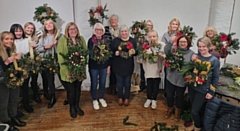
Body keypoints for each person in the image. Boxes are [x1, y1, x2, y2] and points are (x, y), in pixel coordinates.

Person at [186, 37, 220, 131]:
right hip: (192, 87)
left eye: (204, 46)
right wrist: (191, 61)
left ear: (209, 47)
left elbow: (215, 77)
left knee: (194, 111)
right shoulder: (195, 56)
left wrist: (212, 91)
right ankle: (197, 123)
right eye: (199, 46)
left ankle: (198, 127)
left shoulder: (214, 60)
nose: (201, 49)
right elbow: (189, 70)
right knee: (195, 108)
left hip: (203, 90)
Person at [57, 22, 86, 118]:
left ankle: (77, 105)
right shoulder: (63, 40)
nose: (73, 31)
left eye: (75, 29)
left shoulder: (81, 39)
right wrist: (66, 72)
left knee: (78, 89)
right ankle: (72, 107)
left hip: (79, 69)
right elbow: (60, 57)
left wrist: (82, 63)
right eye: (71, 29)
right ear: (67, 31)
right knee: (71, 91)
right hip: (68, 71)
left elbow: (85, 53)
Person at [0, 31, 26, 131]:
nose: (9, 41)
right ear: (1, 40)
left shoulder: (11, 50)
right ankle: (6, 122)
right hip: (3, 82)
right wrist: (6, 63)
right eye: (7, 39)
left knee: (14, 99)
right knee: (4, 102)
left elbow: (14, 67)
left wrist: (19, 60)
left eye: (11, 39)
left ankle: (13, 116)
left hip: (14, 79)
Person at [164, 35, 194, 121]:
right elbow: (166, 51)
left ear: (188, 43)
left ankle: (177, 112)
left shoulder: (191, 54)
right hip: (171, 78)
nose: (182, 43)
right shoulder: (174, 50)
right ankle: (169, 109)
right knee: (169, 95)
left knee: (180, 97)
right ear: (178, 43)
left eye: (184, 42)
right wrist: (170, 42)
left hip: (182, 80)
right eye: (181, 42)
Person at [10, 24, 37, 113]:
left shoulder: (27, 40)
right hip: (14, 68)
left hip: (25, 66)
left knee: (25, 86)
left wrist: (33, 46)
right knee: (16, 88)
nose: (18, 33)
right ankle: (15, 107)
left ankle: (26, 104)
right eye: (16, 31)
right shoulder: (11, 41)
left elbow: (31, 52)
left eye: (20, 31)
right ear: (13, 32)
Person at [37, 19, 62, 108]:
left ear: (54, 25)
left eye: (50, 23)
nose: (48, 25)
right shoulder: (42, 37)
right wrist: (45, 47)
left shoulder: (59, 36)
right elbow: (38, 49)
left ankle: (69, 97)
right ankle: (52, 97)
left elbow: (63, 48)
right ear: (44, 27)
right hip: (47, 62)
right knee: (50, 81)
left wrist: (57, 43)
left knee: (62, 79)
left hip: (57, 61)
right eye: (46, 24)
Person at [111, 25, 137, 106]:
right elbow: (110, 51)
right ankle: (119, 97)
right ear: (119, 32)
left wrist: (134, 52)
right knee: (119, 83)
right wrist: (115, 53)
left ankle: (126, 98)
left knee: (127, 83)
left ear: (128, 32)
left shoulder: (132, 41)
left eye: (125, 31)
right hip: (118, 65)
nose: (124, 33)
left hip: (128, 65)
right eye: (122, 31)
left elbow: (137, 51)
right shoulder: (116, 41)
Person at [88, 23, 110, 110]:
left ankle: (101, 98)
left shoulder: (106, 40)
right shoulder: (91, 40)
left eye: (100, 30)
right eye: (97, 30)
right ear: (94, 31)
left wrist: (108, 66)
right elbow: (90, 54)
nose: (99, 31)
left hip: (104, 66)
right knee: (94, 83)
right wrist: (98, 54)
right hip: (94, 66)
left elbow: (108, 54)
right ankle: (94, 99)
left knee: (103, 82)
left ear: (103, 31)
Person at [142, 30, 165, 109]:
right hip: (148, 68)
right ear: (147, 38)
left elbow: (165, 57)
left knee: (156, 84)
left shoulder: (161, 45)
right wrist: (144, 56)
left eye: (154, 36)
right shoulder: (145, 46)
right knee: (149, 84)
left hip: (157, 67)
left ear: (157, 37)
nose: (152, 38)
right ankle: (148, 98)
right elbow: (140, 58)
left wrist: (159, 54)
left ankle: (154, 99)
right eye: (150, 37)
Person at [161, 18, 181, 99]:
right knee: (168, 76)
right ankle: (167, 93)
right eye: (173, 24)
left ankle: (175, 94)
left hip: (178, 60)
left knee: (177, 77)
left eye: (176, 24)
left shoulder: (181, 35)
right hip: (169, 59)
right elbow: (163, 47)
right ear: (170, 25)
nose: (174, 26)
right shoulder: (166, 35)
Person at [23, 22, 42, 104]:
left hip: (33, 62)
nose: (30, 30)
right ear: (24, 28)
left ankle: (36, 95)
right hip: (25, 63)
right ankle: (26, 100)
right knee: (25, 82)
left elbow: (35, 51)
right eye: (28, 28)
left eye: (32, 28)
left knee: (34, 79)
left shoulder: (35, 38)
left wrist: (34, 48)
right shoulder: (22, 38)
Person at [104, 14, 119, 95]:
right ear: (110, 21)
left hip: (117, 54)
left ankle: (115, 87)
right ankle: (111, 87)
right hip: (109, 54)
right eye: (112, 20)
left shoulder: (120, 31)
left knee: (115, 71)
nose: (113, 21)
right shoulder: (106, 29)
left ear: (117, 21)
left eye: (115, 20)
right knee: (110, 71)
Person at [138, 20, 154, 93]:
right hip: (143, 55)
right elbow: (138, 43)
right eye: (147, 25)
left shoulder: (153, 34)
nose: (148, 26)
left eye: (150, 25)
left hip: (151, 55)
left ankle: (149, 86)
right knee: (142, 70)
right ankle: (143, 83)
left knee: (150, 70)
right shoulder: (142, 34)